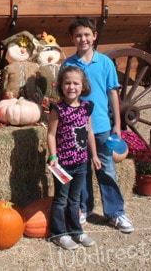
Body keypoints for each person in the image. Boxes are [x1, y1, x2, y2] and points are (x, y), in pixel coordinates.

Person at [62, 16, 134, 233]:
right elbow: (64, 95)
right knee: (81, 170)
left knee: (106, 169)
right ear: (72, 39)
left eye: (86, 35)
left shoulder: (104, 63)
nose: (82, 39)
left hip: (102, 125)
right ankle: (84, 208)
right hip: (78, 127)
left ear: (94, 36)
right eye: (78, 36)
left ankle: (115, 213)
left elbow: (113, 93)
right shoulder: (68, 64)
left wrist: (117, 125)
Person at [47, 66, 101, 250]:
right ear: (61, 86)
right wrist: (53, 156)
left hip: (81, 163)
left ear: (82, 86)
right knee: (61, 199)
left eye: (76, 83)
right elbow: (51, 135)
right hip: (62, 164)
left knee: (75, 199)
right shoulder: (58, 110)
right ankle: (59, 233)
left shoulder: (86, 108)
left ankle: (76, 231)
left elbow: (90, 133)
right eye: (67, 83)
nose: (71, 87)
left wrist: (93, 155)